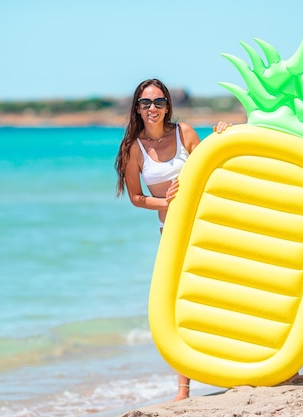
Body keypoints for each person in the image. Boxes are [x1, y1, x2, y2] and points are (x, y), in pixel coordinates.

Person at [114, 78, 231, 401]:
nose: (153, 108)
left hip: (208, 225)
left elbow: (214, 163)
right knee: (184, 307)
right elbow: (136, 198)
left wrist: (222, 134)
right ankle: (184, 388)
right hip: (173, 233)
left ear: (168, 105)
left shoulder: (186, 133)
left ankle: (242, 365)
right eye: (145, 103)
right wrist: (167, 202)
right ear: (137, 107)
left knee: (225, 296)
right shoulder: (133, 150)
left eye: (159, 102)